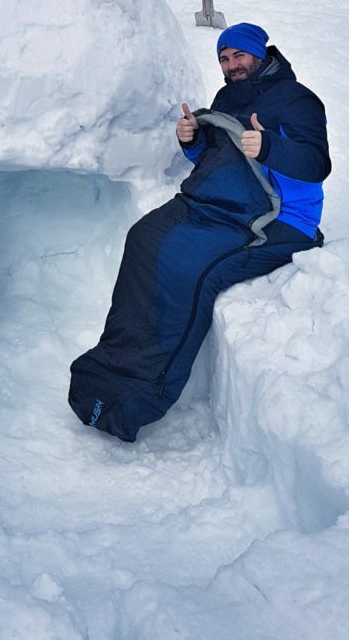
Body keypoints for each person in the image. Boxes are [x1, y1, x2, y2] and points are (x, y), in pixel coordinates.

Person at [68, 22, 331, 443]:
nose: (232, 65)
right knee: (144, 237)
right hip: (215, 205)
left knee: (189, 270)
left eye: (239, 56)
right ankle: (111, 368)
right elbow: (219, 157)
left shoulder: (298, 100)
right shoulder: (228, 97)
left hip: (275, 222)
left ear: (260, 55)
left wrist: (269, 148)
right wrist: (191, 141)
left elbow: (317, 163)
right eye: (224, 59)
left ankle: (142, 391)